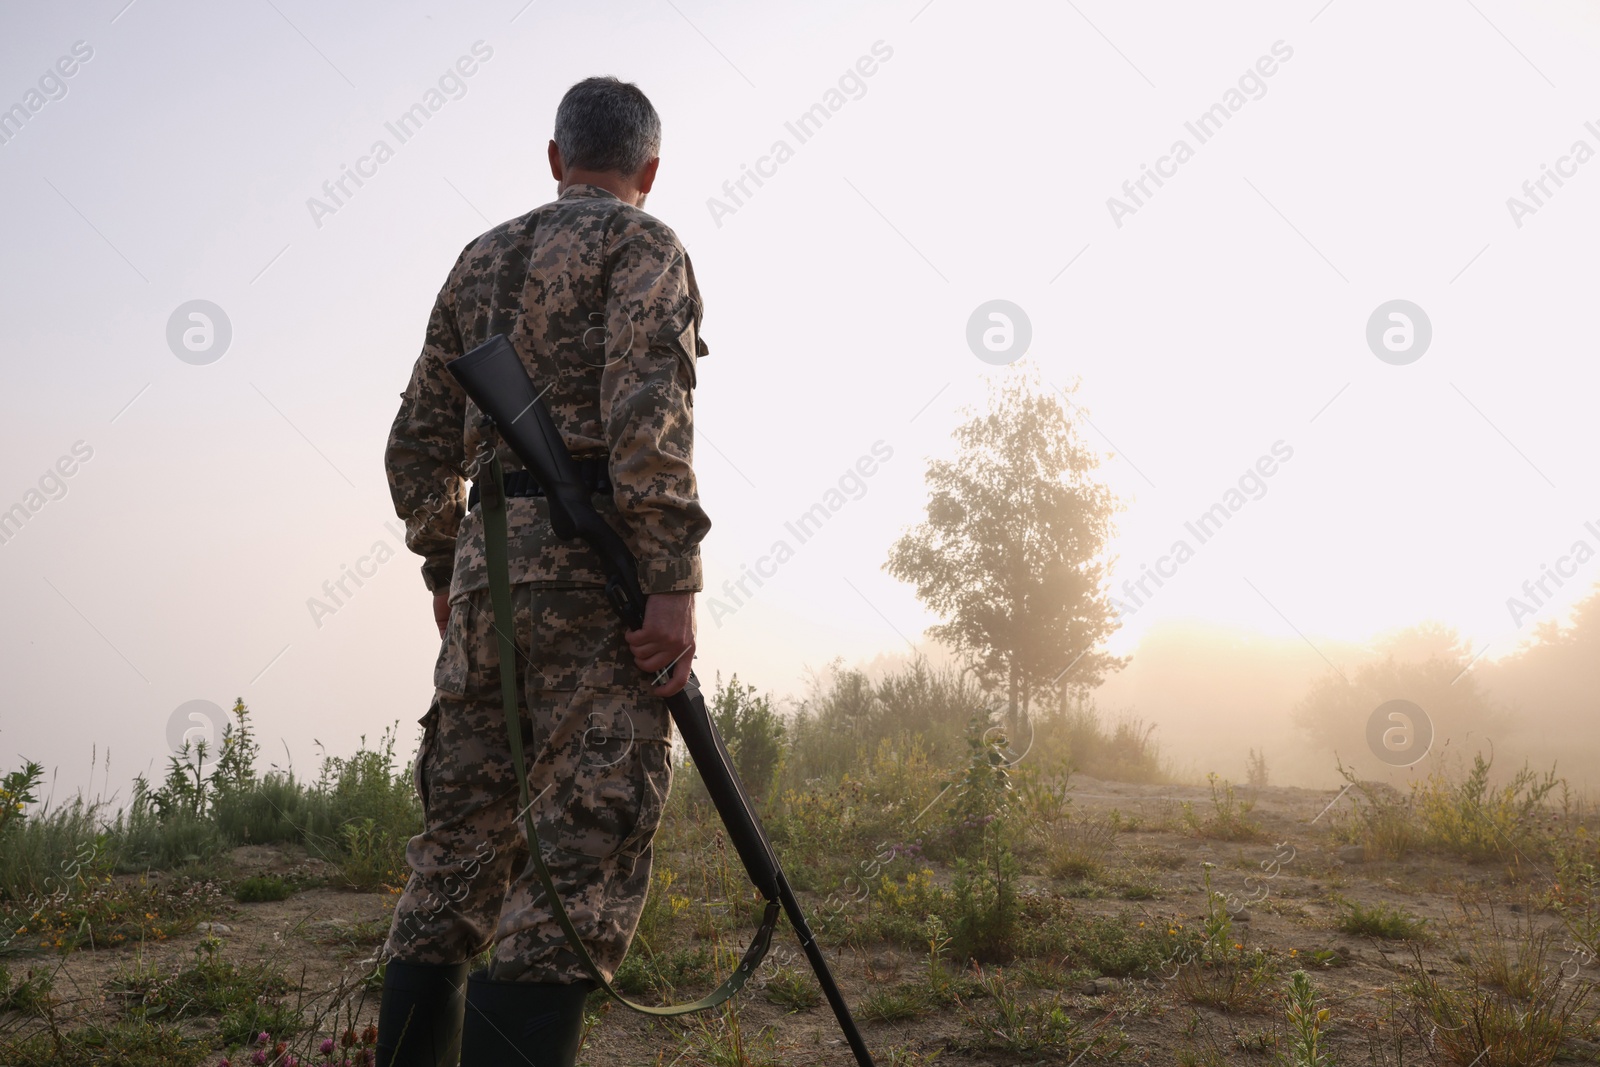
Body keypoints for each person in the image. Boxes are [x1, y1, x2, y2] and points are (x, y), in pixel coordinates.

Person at [377, 76, 709, 1067]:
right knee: (578, 858)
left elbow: (413, 448)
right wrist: (672, 581)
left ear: (556, 158)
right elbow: (644, 416)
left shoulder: (477, 258)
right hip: (594, 593)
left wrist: (449, 562)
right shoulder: (646, 244)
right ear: (648, 170)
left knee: (450, 860)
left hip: (484, 585)